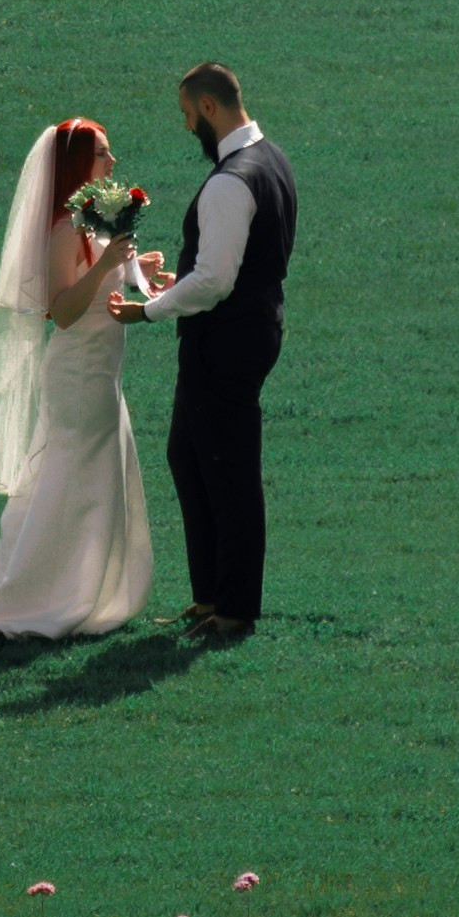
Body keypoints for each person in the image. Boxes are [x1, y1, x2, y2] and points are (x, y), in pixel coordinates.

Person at [0, 117, 153, 639]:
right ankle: (49, 594)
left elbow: (99, 289)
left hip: (101, 371)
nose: (112, 162)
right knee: (71, 481)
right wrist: (104, 265)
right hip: (79, 373)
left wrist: (137, 271)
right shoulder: (64, 229)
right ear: (78, 163)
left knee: (92, 478)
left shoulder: (90, 223)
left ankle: (86, 589)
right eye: (101, 153)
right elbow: (62, 312)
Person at [112, 63, 296, 637]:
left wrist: (149, 309)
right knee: (189, 455)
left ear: (210, 108)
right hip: (249, 327)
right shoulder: (272, 159)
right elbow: (227, 268)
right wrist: (182, 285)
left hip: (224, 341)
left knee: (227, 470)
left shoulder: (228, 181)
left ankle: (234, 609)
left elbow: (215, 281)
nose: (188, 126)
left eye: (189, 115)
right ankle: (210, 594)